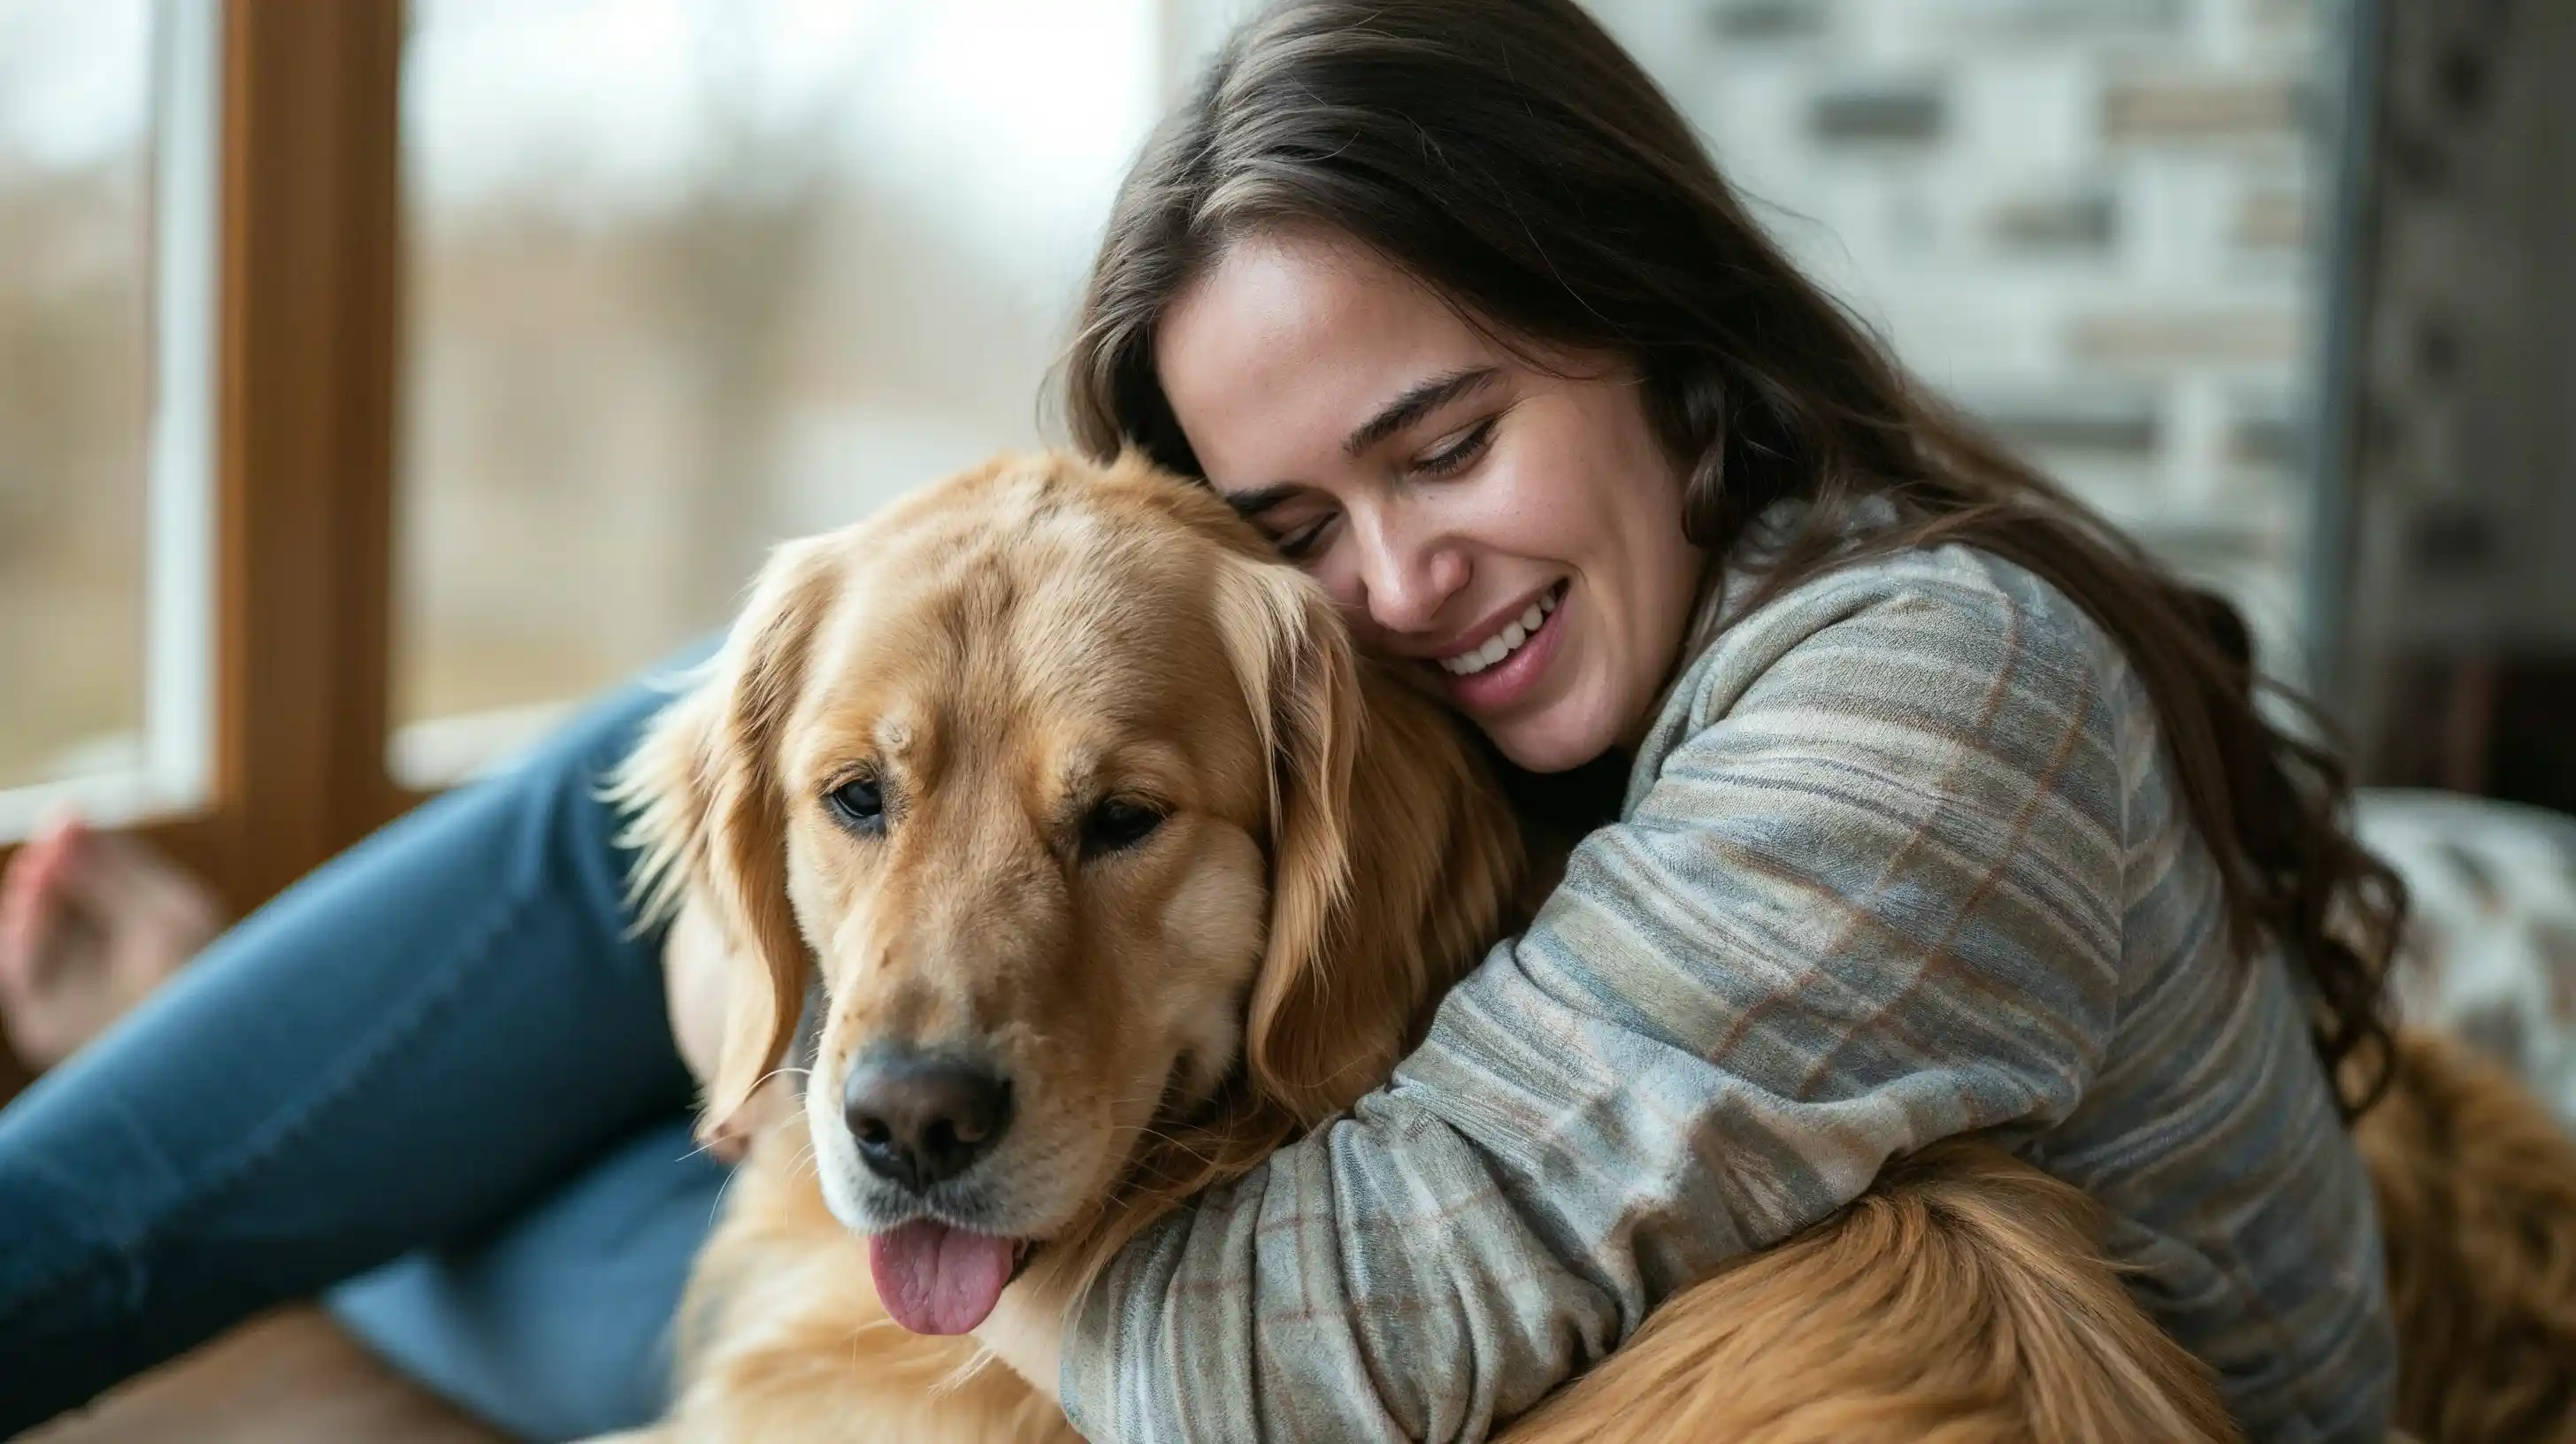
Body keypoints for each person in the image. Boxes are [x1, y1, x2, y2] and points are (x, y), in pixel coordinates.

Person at [0, 0, 2404, 1440]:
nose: (1382, 591)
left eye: (1449, 444)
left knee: (758, 1211)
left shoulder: (1924, 713)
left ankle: (214, 1057)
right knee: (739, 738)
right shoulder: (1552, 662)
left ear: (1669, 347)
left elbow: (1321, 1340)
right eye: (1286, 513)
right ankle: (197, 1097)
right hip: (1267, 1286)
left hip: (1410, 1364)